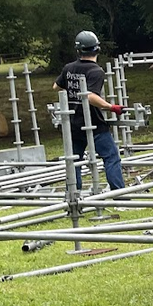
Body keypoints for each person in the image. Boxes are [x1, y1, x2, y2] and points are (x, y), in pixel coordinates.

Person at [54, 30, 125, 190]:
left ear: (78, 50)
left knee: (74, 161)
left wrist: (72, 89)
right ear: (97, 49)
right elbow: (90, 96)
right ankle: (120, 195)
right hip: (94, 124)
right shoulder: (96, 71)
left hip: (73, 123)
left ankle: (74, 195)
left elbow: (56, 86)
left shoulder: (68, 68)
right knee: (111, 157)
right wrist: (111, 107)